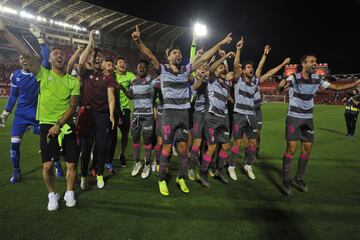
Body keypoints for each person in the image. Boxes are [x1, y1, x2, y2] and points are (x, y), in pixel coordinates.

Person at [131, 24, 233, 196]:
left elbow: (205, 57)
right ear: (169, 57)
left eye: (179, 53)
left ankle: (180, 177)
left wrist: (221, 43)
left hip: (184, 114)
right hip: (169, 115)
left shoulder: (186, 70)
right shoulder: (162, 70)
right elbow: (148, 55)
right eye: (174, 53)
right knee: (166, 147)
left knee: (183, 148)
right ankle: (162, 179)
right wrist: (139, 41)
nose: (178, 55)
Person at [0, 18, 80, 211]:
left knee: (71, 165)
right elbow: (26, 53)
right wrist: (5, 31)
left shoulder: (73, 81)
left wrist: (59, 125)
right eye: (55, 54)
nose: (59, 55)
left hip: (65, 126)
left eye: (61, 53)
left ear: (65, 58)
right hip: (46, 125)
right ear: (49, 60)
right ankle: (52, 194)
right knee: (47, 167)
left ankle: (69, 192)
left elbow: (73, 107)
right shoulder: (43, 74)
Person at [277, 54, 360, 195]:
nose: (315, 63)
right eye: (312, 61)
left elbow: (335, 87)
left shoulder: (317, 79)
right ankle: (285, 179)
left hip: (308, 119)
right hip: (294, 117)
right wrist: (281, 84)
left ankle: (298, 178)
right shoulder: (294, 77)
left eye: (316, 61)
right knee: (291, 149)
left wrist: (356, 83)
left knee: (307, 150)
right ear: (304, 64)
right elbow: (280, 89)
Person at [229, 37, 290, 181]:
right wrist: (238, 49)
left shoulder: (255, 82)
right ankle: (231, 166)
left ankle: (248, 165)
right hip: (239, 115)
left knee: (253, 143)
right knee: (237, 143)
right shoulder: (237, 80)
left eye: (252, 67)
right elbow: (236, 64)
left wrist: (281, 63)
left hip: (252, 115)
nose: (251, 69)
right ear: (243, 71)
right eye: (249, 67)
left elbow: (266, 71)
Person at [78, 30, 116, 190]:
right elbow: (80, 63)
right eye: (94, 56)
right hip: (87, 113)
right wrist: (90, 44)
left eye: (99, 56)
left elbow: (111, 97)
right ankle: (83, 176)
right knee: (85, 148)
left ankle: (99, 173)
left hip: (102, 115)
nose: (96, 57)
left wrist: (112, 115)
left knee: (101, 146)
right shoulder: (85, 73)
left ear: (102, 60)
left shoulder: (108, 77)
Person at [198, 51, 235, 188]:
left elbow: (228, 98)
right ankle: (202, 173)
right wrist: (224, 57)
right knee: (212, 147)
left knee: (226, 146)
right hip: (212, 117)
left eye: (224, 68)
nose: (223, 69)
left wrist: (233, 101)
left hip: (223, 118)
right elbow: (212, 68)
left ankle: (219, 170)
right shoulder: (212, 80)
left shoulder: (226, 85)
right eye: (221, 68)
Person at [119, 59, 159, 179]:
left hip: (147, 115)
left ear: (147, 69)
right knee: (135, 139)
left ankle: (147, 164)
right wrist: (122, 88)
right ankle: (137, 163)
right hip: (135, 114)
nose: (141, 69)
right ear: (136, 69)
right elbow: (131, 96)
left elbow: (159, 89)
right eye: (139, 67)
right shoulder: (134, 82)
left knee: (147, 140)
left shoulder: (151, 81)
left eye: (143, 67)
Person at [114, 56, 136, 167]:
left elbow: (136, 82)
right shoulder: (112, 75)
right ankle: (107, 156)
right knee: (111, 135)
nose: (122, 64)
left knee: (125, 134)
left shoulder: (130, 75)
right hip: (112, 109)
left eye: (124, 62)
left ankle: (122, 154)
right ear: (115, 66)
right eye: (120, 62)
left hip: (125, 109)